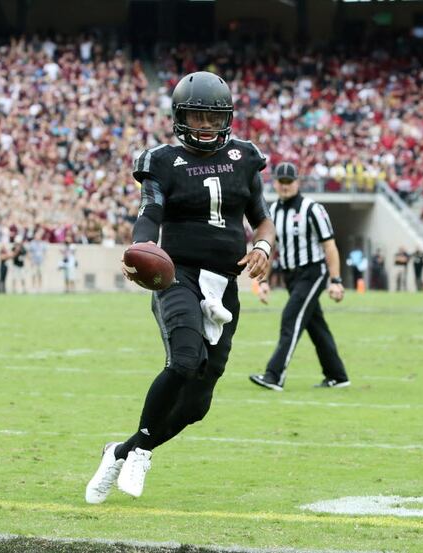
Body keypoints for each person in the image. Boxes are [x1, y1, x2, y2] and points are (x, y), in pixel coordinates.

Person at [85, 71, 275, 504]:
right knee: (185, 361)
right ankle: (140, 457)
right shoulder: (162, 160)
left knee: (198, 404)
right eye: (196, 115)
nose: (205, 125)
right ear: (179, 116)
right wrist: (142, 245)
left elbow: (261, 216)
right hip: (178, 276)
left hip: (224, 283)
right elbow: (150, 211)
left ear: (226, 117)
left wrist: (263, 243)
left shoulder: (245, 156)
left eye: (212, 117)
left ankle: (125, 450)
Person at [248, 161, 349, 392]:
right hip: (290, 276)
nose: (284, 186)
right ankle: (337, 375)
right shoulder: (272, 211)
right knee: (316, 327)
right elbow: (270, 250)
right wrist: (263, 282)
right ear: (275, 183)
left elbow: (330, 246)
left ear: (297, 182)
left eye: (288, 182)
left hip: (312, 273)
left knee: (290, 318)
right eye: (280, 182)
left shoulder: (312, 208)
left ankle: (274, 376)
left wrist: (335, 281)